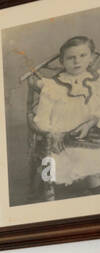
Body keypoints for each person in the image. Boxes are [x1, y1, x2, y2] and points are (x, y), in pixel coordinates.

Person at [29, 35, 100, 190]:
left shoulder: (97, 80)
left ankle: (94, 193)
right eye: (71, 58)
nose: (77, 61)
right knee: (78, 158)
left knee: (94, 158)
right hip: (61, 137)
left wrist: (93, 121)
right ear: (62, 62)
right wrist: (53, 133)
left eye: (83, 56)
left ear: (92, 57)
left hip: (93, 133)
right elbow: (41, 118)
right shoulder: (52, 86)